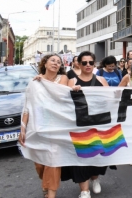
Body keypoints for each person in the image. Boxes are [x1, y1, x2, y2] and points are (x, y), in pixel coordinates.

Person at [19, 54, 69, 198]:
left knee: (53, 161)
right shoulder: (34, 83)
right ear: (45, 63)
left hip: (57, 127)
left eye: (59, 62)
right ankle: (46, 184)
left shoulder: (62, 79)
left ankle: (51, 194)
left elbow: (60, 95)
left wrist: (45, 83)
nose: (56, 63)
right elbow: (27, 107)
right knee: (40, 164)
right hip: (37, 128)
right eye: (52, 60)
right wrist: (22, 129)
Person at [64, 51, 109, 198]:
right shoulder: (72, 81)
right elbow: (62, 101)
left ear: (94, 63)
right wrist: (72, 92)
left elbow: (112, 100)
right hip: (80, 125)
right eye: (84, 63)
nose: (88, 65)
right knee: (81, 157)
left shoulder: (102, 80)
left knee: (97, 156)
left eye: (91, 62)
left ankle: (95, 178)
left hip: (99, 124)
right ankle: (84, 190)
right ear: (79, 64)